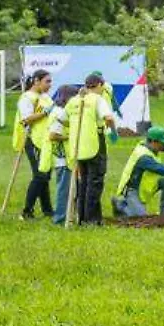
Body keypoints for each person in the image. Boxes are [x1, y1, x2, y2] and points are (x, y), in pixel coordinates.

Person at [64, 71, 119, 226]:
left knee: (84, 182)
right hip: (95, 143)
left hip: (79, 145)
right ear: (100, 85)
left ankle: (82, 217)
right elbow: (108, 117)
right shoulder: (97, 100)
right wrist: (113, 131)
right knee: (95, 182)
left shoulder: (75, 100)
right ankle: (92, 219)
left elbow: (63, 119)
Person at [15, 69, 55, 220]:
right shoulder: (26, 98)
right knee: (40, 175)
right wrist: (45, 113)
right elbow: (26, 119)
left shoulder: (45, 97)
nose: (50, 85)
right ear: (36, 81)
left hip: (46, 140)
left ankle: (48, 210)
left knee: (45, 176)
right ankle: (26, 211)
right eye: (47, 81)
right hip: (32, 140)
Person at [45, 84, 78, 225]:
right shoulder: (59, 113)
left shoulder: (59, 110)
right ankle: (59, 218)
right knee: (63, 190)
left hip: (64, 157)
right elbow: (53, 135)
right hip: (62, 158)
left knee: (66, 188)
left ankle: (67, 215)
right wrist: (71, 137)